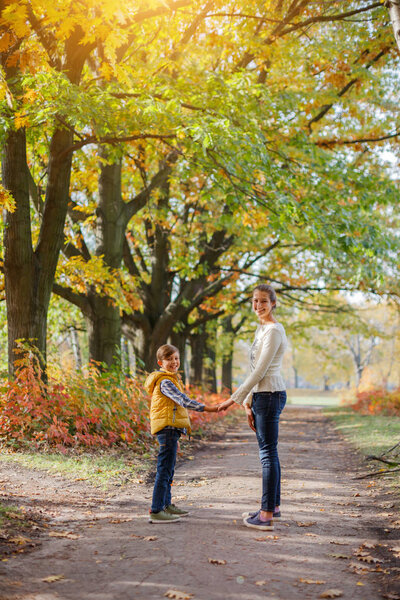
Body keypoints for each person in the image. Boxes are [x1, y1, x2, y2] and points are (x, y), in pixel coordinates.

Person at [218, 284, 287, 531]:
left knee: (267, 455)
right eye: (255, 301)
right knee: (271, 453)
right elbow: (253, 368)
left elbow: (261, 371)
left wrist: (232, 399)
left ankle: (266, 515)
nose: (258, 306)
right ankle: (273, 507)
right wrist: (247, 403)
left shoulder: (274, 331)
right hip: (262, 396)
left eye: (264, 302)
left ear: (273, 303)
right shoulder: (261, 329)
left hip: (269, 395)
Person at [144, 344, 218, 524]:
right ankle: (156, 510)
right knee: (164, 470)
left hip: (172, 429)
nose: (174, 362)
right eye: (169, 359)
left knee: (169, 470)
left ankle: (166, 505)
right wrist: (207, 408)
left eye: (176, 358)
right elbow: (182, 401)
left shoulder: (172, 379)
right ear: (160, 362)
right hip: (167, 429)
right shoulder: (165, 382)